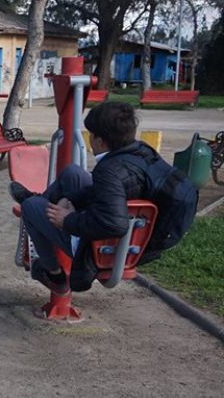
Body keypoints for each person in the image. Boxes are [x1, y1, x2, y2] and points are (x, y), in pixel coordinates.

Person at [10, 102, 174, 294]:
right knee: (73, 172)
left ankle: (54, 275)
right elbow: (108, 194)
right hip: (127, 232)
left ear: (100, 141)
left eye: (91, 136)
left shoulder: (108, 172)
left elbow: (114, 224)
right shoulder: (144, 156)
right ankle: (42, 201)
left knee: (29, 207)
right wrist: (71, 198)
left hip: (98, 248)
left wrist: (68, 219)